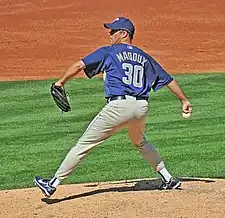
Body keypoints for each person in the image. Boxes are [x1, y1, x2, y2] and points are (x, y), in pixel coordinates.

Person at [34, 17, 192, 198]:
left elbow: (80, 65)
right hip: (141, 107)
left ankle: (52, 184)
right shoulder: (144, 56)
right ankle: (168, 178)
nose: (109, 34)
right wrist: (184, 100)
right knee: (140, 141)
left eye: (113, 31)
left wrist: (60, 82)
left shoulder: (109, 52)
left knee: (84, 144)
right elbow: (168, 80)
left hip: (118, 107)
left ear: (124, 34)